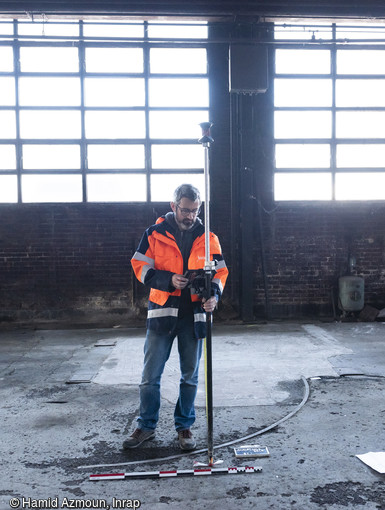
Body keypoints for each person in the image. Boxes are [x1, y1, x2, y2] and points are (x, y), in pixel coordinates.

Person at [124, 183, 228, 451]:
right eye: (185, 210)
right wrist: (168, 279)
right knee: (150, 377)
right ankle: (146, 426)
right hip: (162, 315)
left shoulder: (209, 238)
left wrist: (214, 295)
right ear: (173, 207)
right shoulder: (154, 234)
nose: (190, 216)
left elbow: (220, 273)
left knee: (190, 377)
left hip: (194, 317)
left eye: (194, 211)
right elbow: (139, 266)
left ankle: (184, 427)